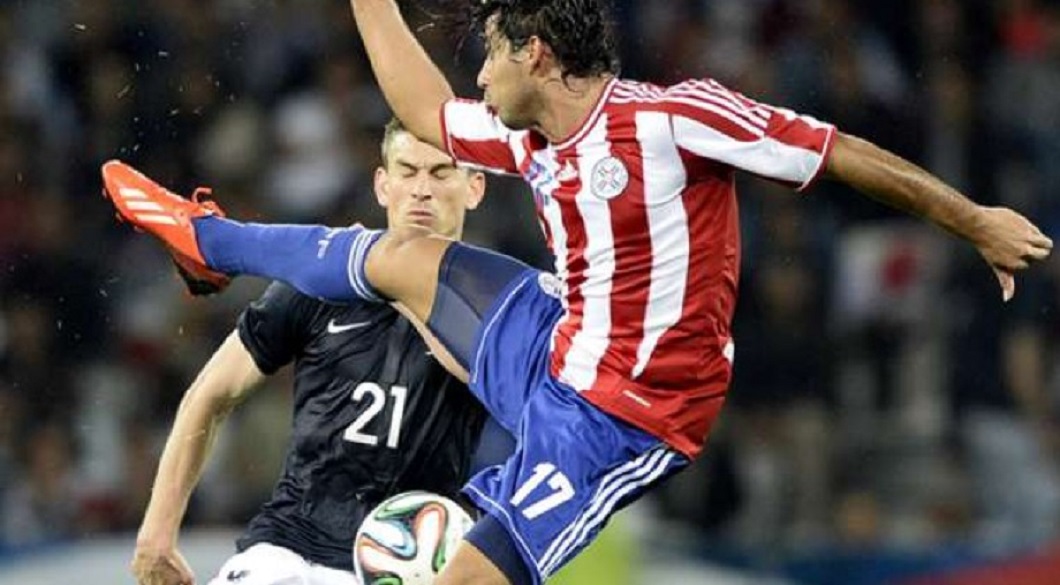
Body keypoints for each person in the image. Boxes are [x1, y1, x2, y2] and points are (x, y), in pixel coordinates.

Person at [102, 1, 1054, 584]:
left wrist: (971, 219)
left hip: (620, 417)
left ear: (538, 56)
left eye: (489, 54)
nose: (478, 73)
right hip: (550, 342)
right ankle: (206, 241)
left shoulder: (676, 119)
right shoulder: (527, 139)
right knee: (397, 257)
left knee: (466, 580)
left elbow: (833, 151)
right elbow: (421, 107)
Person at [129, 119, 490, 585]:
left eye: (441, 173)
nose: (421, 189)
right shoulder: (322, 282)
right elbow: (211, 393)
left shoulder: (497, 302)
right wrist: (156, 533)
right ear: (382, 185)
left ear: (474, 188)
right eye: (407, 172)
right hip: (284, 548)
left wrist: (404, 279)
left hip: (400, 568)